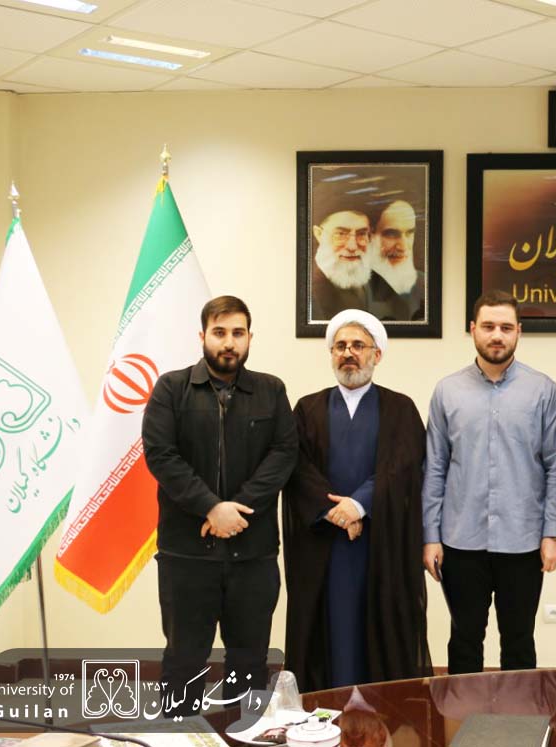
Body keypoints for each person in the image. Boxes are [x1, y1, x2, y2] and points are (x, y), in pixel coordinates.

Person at [142, 295, 297, 716]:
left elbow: (284, 454)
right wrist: (211, 508)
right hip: (186, 556)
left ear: (250, 338)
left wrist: (236, 508)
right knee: (184, 660)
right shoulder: (171, 389)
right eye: (220, 332)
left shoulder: (271, 390)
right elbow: (161, 455)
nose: (229, 342)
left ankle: (244, 738)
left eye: (238, 333)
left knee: (250, 662)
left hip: (253, 555)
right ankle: (181, 738)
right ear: (202, 336)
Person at [282, 309, 432, 691]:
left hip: (381, 544)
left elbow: (404, 465)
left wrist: (359, 505)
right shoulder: (307, 409)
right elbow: (297, 468)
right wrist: (337, 512)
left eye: (358, 346)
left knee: (382, 631)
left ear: (376, 355)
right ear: (331, 354)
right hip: (326, 544)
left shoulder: (400, 408)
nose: (348, 353)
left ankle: (382, 715)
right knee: (328, 634)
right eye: (340, 346)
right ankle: (325, 713)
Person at [422, 290, 556, 674]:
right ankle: (463, 713)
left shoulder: (542, 390)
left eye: (506, 327)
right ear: (473, 329)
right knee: (464, 640)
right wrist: (430, 536)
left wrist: (553, 533)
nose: (497, 335)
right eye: (488, 326)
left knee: (519, 641)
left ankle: (519, 713)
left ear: (519, 331)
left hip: (523, 541)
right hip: (460, 541)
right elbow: (435, 467)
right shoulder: (447, 391)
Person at [310, 207, 377, 321]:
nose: (352, 246)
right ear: (319, 234)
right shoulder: (308, 290)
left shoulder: (375, 280)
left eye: (361, 234)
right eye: (341, 234)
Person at [367, 200, 424, 322]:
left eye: (409, 233)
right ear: (370, 235)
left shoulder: (423, 284)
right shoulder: (357, 288)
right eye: (392, 234)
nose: (403, 246)